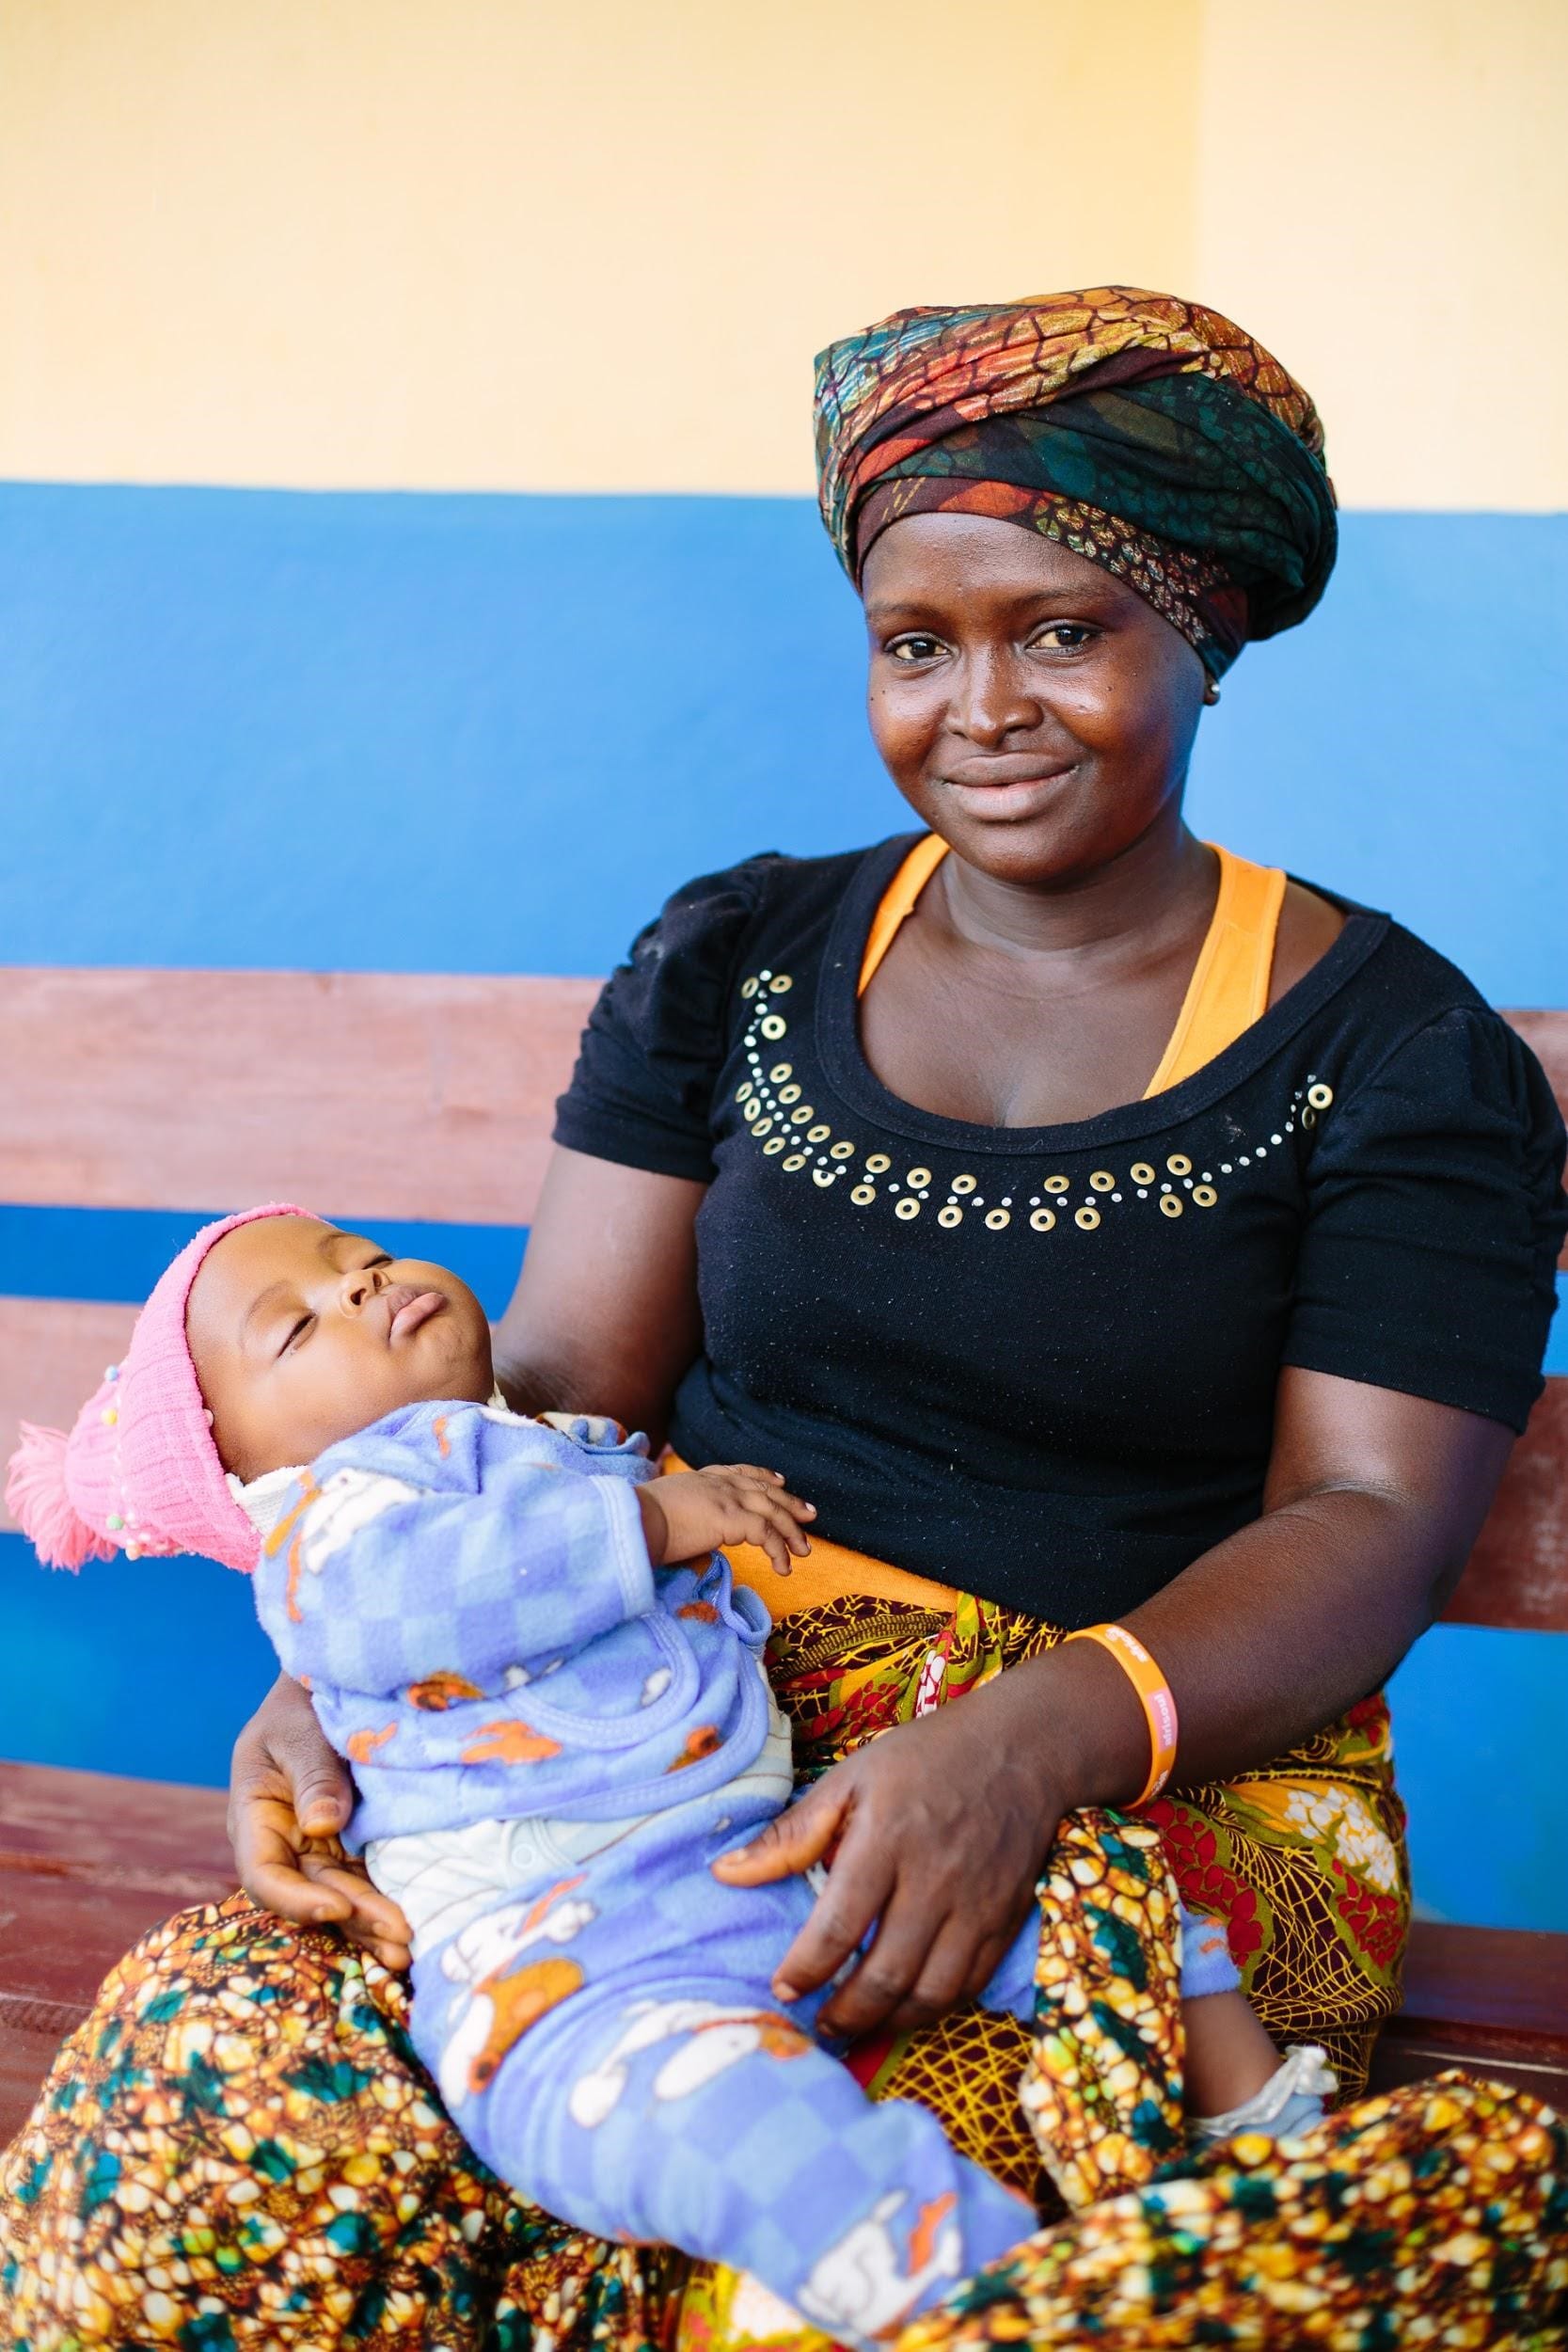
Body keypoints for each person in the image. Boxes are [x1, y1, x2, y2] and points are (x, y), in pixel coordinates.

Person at [3, 287, 1564, 2350]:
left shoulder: (1393, 1053)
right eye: (917, 642)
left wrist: (1019, 1748)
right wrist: (368, 1679)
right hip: (625, 1740)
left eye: (1064, 631)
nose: (980, 703)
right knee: (215, 2103)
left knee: (824, 2254)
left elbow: (1369, 1518)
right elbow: (552, 1392)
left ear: (1205, 632)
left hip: (1136, 1788)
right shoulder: (736, 955)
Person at [8, 1204, 1329, 2347]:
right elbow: (399, 1604)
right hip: (574, 1977)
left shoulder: (524, 1442)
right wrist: (647, 1517)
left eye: (357, 1256)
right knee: (747, 2135)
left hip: (760, 1865)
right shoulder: (341, 1521)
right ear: (253, 1479)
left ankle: (1272, 2140)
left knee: (1103, 1909)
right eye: (295, 1329)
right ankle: (981, 2290)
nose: (354, 1285)